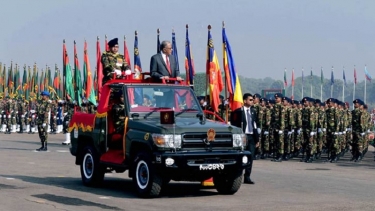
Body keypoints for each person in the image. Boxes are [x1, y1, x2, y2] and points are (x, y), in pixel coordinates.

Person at [230, 93, 259, 184]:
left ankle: (247, 177)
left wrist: (257, 139)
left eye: (252, 100)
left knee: (250, 157)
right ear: (245, 101)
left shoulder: (253, 111)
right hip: (242, 136)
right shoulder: (239, 111)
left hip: (251, 137)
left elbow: (255, 125)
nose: (252, 101)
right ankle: (237, 176)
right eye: (250, 100)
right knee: (240, 157)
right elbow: (233, 124)